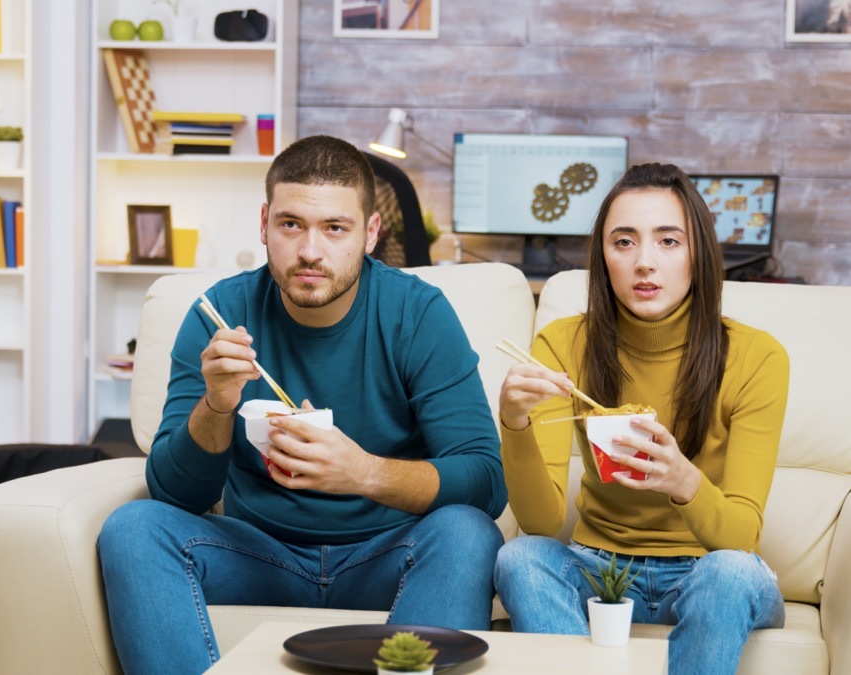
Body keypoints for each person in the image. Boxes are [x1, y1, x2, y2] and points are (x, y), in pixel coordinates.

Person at [97, 135, 508, 675]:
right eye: (291, 224)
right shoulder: (219, 314)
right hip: (257, 554)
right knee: (133, 529)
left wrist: (363, 472)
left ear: (371, 233)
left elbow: (485, 482)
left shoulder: (417, 313)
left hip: (386, 554)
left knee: (467, 533)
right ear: (264, 223)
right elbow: (177, 494)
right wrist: (216, 405)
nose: (310, 251)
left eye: (335, 228)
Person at [493, 162, 788, 675]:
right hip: (598, 567)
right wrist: (514, 423)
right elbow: (540, 523)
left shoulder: (757, 357)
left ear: (698, 254)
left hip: (705, 570)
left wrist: (683, 481)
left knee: (731, 573)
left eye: (668, 241)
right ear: (603, 257)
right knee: (520, 559)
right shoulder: (562, 344)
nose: (644, 262)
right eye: (624, 242)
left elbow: (741, 539)